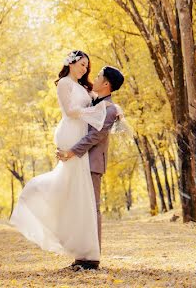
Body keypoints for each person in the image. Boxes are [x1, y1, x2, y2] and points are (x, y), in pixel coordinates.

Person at [10, 50, 108, 266]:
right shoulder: (64, 83)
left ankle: (85, 251)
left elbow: (97, 103)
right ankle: (36, 200)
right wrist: (97, 111)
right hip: (71, 135)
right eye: (82, 64)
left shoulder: (84, 87)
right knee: (71, 189)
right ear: (71, 63)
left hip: (80, 135)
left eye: (87, 67)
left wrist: (109, 109)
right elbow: (70, 111)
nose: (85, 69)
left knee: (77, 193)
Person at [56, 64, 124, 271]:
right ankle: (81, 256)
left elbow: (94, 137)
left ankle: (92, 259)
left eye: (98, 76)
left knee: (92, 209)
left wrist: (71, 152)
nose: (92, 77)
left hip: (92, 163)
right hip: (80, 162)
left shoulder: (110, 109)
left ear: (106, 83)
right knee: (80, 209)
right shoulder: (93, 100)